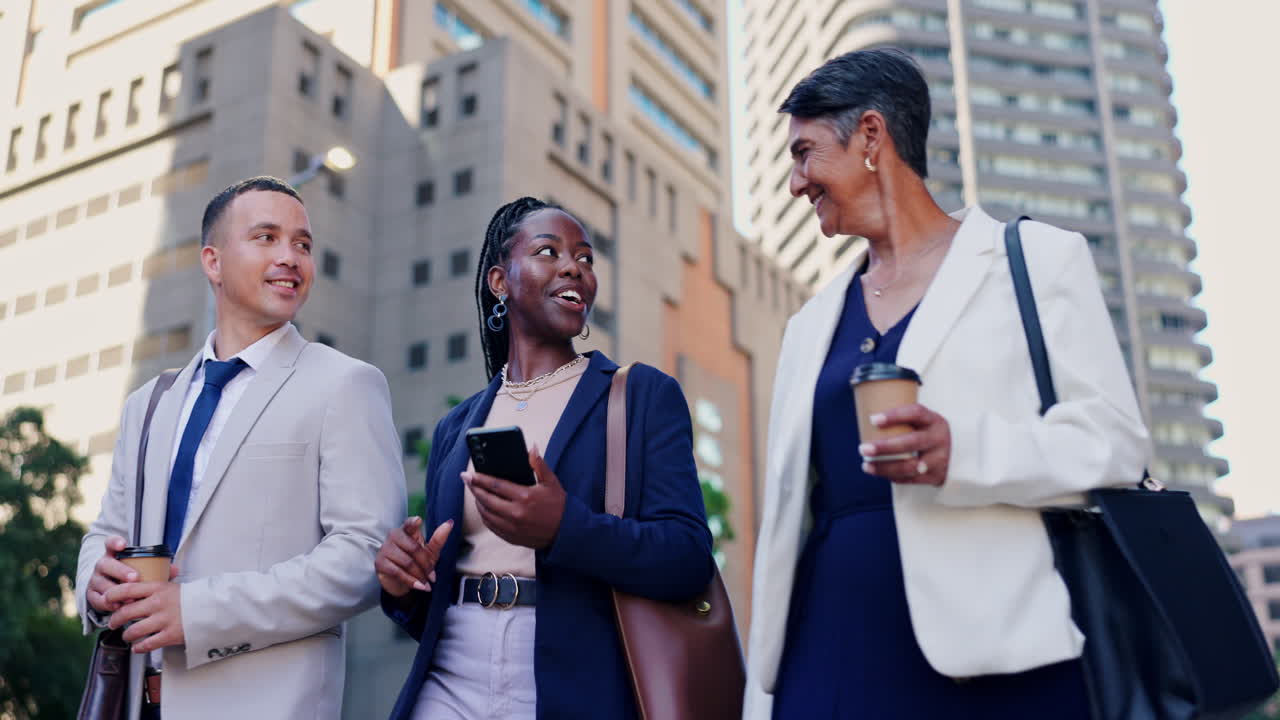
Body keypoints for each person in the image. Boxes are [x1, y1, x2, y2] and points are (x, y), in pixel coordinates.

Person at [743, 49, 1150, 718]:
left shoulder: (1039, 261)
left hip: (1000, 662)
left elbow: (1114, 444)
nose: (796, 183)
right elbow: (790, 514)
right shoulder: (808, 324)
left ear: (872, 136)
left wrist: (963, 453)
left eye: (805, 153)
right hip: (827, 651)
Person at [75, 176, 405, 720]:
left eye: (302, 244)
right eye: (267, 237)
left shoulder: (346, 384)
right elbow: (107, 531)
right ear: (213, 261)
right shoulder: (149, 403)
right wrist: (95, 579)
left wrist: (199, 612)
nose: (290, 258)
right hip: (136, 700)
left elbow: (365, 555)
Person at [376, 197, 715, 719]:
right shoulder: (458, 424)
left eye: (584, 257)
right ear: (499, 281)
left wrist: (564, 528)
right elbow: (431, 607)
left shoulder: (641, 395)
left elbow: (687, 557)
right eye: (547, 251)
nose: (573, 266)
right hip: (449, 681)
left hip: (572, 686)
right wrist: (402, 584)